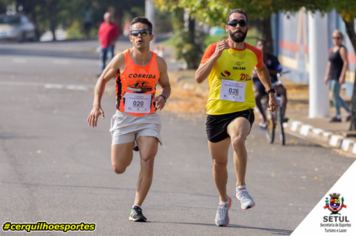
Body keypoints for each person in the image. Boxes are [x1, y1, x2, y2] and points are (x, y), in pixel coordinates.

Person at [195, 9, 279, 227]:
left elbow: (261, 70)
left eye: (242, 23)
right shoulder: (214, 48)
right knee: (218, 164)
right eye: (234, 23)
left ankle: (241, 188)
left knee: (238, 139)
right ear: (227, 28)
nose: (238, 26)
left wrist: (271, 92)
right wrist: (215, 56)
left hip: (242, 110)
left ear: (247, 28)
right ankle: (224, 201)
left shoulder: (254, 53)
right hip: (216, 112)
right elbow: (198, 78)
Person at [87, 16, 171, 222]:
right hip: (124, 118)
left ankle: (137, 207)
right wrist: (96, 104)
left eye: (143, 33)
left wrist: (163, 96)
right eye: (135, 33)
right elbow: (102, 80)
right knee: (119, 168)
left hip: (148, 118)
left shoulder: (159, 62)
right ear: (130, 37)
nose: (139, 36)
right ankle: (133, 143)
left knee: (148, 159)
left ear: (151, 36)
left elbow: (166, 86)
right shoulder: (121, 59)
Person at [252, 39, 288, 128]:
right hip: (260, 83)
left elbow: (279, 70)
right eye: (260, 45)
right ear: (257, 47)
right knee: (257, 96)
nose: (262, 47)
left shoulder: (273, 58)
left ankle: (282, 115)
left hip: (273, 82)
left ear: (267, 47)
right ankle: (264, 118)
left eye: (264, 45)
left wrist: (266, 71)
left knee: (283, 91)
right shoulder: (253, 58)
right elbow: (252, 71)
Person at [324, 29, 351, 122]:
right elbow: (329, 63)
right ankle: (338, 116)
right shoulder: (332, 48)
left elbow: (346, 63)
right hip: (332, 75)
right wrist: (326, 75)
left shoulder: (342, 49)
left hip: (338, 76)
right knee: (335, 95)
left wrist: (342, 76)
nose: (336, 40)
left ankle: (349, 112)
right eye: (334, 38)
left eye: (338, 38)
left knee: (335, 95)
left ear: (341, 38)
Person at [97, 12, 119, 77]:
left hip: (110, 45)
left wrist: (113, 41)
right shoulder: (102, 25)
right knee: (102, 59)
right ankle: (102, 72)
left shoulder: (114, 26)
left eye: (109, 17)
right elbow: (100, 35)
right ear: (104, 18)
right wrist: (100, 44)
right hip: (102, 45)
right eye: (107, 17)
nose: (108, 18)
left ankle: (112, 73)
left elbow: (116, 35)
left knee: (111, 59)